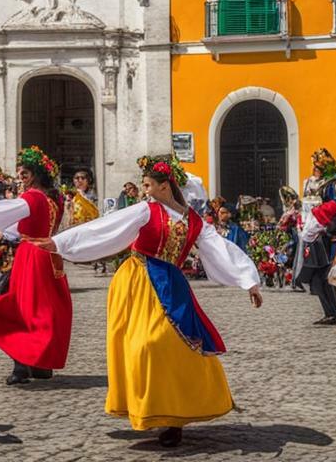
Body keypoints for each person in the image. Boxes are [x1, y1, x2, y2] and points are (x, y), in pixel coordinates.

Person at [27, 154, 262, 448]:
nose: (145, 190)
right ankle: (147, 408)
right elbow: (105, 228)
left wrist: (249, 281)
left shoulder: (194, 222)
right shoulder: (144, 210)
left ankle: (174, 418)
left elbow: (219, 250)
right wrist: (60, 243)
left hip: (171, 284)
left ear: (166, 186)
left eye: (149, 185)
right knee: (141, 346)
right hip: (137, 280)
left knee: (176, 346)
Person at [0, 146, 72, 385]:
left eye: (23, 174)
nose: (20, 180)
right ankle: (41, 364)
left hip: (31, 256)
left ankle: (21, 365)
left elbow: (3, 215)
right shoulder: (55, 198)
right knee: (45, 309)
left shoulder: (32, 197)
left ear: (32, 176)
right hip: (50, 255)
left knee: (20, 307)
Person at [299, 199, 336, 325]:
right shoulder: (322, 218)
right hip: (320, 254)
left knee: (323, 282)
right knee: (321, 283)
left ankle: (332, 314)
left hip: (324, 255)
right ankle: (331, 313)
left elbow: (307, 235)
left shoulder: (330, 221)